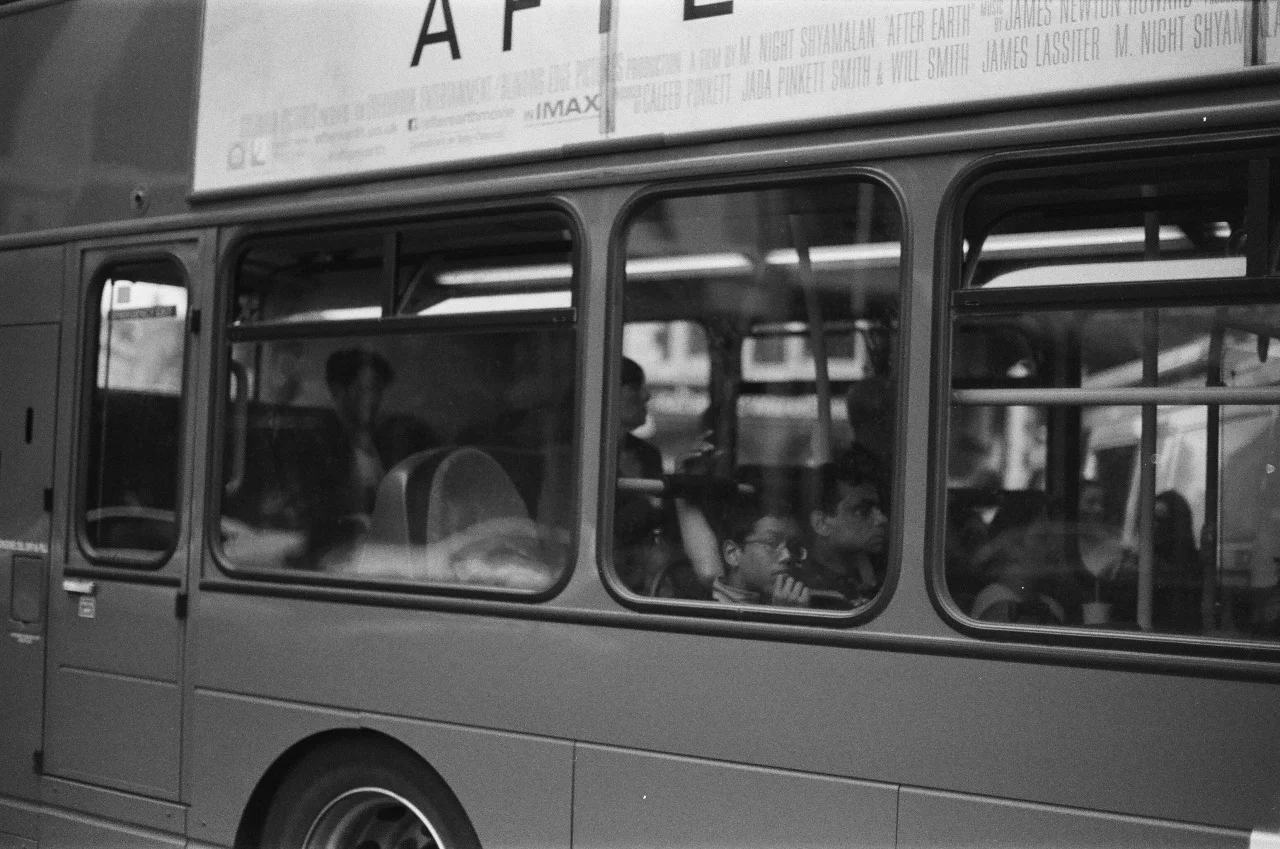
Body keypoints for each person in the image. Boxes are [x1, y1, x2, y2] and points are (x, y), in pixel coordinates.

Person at [797, 458, 888, 608]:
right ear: (821, 523)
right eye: (862, 510)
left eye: (879, 509)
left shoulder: (882, 572)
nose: (882, 519)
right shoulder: (804, 591)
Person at [710, 493, 811, 607]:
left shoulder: (791, 600)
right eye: (771, 543)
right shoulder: (703, 609)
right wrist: (783, 614)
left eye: (793, 546)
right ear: (732, 553)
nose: (787, 556)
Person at [1152, 489, 1201, 632]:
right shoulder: (1143, 559)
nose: (1154, 526)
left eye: (1161, 521)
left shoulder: (1193, 566)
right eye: (1151, 519)